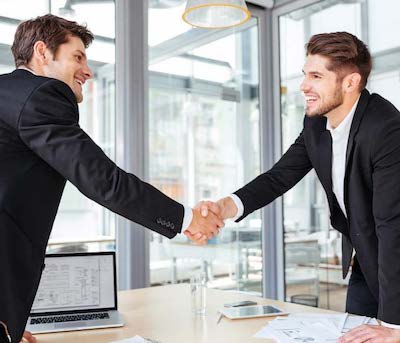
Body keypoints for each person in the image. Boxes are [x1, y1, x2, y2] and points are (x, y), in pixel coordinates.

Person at [0, 14, 223, 343]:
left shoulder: (7, 94)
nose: (87, 70)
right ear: (42, 52)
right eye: (77, 57)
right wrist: (187, 219)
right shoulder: (41, 95)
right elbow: (104, 181)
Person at [190, 32, 400, 342]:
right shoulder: (316, 123)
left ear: (350, 82)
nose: (304, 86)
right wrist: (225, 206)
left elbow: (392, 226)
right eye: (305, 75)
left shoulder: (387, 129)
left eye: (316, 76)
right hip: (367, 262)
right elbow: (279, 176)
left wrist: (396, 328)